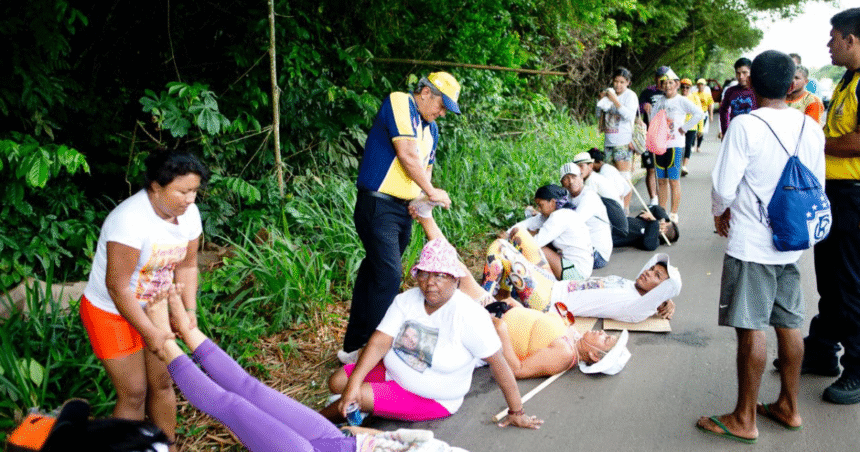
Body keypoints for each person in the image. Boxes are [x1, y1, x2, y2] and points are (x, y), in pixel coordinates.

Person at [139, 284, 468, 452]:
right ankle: (187, 329)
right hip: (339, 442)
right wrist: (349, 433)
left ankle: (164, 343)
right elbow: (390, 438)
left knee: (233, 406)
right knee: (252, 390)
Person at [698, 50, 826, 443]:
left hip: (753, 244)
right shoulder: (811, 128)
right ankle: (789, 406)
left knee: (751, 328)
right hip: (792, 242)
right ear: (792, 85)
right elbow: (817, 183)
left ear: (750, 83)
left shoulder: (746, 126)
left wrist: (721, 214)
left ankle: (744, 418)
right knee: (789, 323)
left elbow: (723, 187)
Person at [323, 239, 544, 429]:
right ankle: (364, 409)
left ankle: (313, 426)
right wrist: (351, 385)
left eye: (440, 275)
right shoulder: (407, 300)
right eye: (425, 274)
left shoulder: (470, 316)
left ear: (456, 280)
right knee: (338, 382)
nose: (430, 283)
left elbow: (499, 363)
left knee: (357, 396)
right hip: (392, 371)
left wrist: (516, 412)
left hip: (430, 397)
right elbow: (380, 342)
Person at [79, 150, 209, 449]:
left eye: (194, 191)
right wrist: (150, 332)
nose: (190, 200)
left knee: (163, 382)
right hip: (110, 311)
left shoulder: (189, 215)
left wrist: (188, 311)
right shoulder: (129, 220)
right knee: (134, 393)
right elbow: (117, 286)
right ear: (156, 185)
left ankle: (167, 446)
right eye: (182, 191)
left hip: (156, 308)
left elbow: (187, 266)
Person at [344, 72, 461, 362]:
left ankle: (354, 346)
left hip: (402, 211)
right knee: (388, 275)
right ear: (425, 92)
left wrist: (422, 200)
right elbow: (407, 155)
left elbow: (426, 168)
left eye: (447, 109)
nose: (442, 113)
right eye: (441, 105)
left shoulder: (431, 129)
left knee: (374, 273)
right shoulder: (400, 102)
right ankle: (375, 351)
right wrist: (432, 192)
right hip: (378, 204)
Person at [793, 7, 860, 405]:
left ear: (852, 39)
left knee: (850, 282)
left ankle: (856, 368)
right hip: (833, 194)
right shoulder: (848, 80)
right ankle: (822, 350)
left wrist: (815, 143)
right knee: (830, 278)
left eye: (833, 37)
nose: (828, 44)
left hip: (853, 195)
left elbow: (856, 141)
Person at [481, 226, 681, 321]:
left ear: (662, 290)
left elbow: (654, 300)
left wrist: (666, 300)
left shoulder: (637, 307)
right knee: (521, 235)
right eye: (652, 269)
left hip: (548, 302)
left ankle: (481, 308)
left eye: (657, 276)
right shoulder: (631, 285)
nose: (649, 273)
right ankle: (503, 296)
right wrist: (665, 301)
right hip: (552, 283)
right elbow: (659, 294)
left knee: (500, 247)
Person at [491, 305, 633, 379]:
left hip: (491, 330)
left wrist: (501, 331)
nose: (602, 332)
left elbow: (518, 370)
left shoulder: (564, 354)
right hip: (499, 313)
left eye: (605, 339)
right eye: (607, 334)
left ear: (594, 355)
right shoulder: (574, 336)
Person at [649, 68, 705, 224]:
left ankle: (673, 213)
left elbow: (699, 113)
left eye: (670, 83)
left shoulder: (682, 100)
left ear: (677, 84)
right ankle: (661, 213)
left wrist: (684, 128)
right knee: (661, 181)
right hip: (661, 146)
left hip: (675, 145)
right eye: (665, 83)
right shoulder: (659, 101)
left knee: (674, 180)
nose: (667, 86)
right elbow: (653, 119)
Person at [512, 184, 594, 280]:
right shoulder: (562, 212)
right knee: (535, 236)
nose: (538, 209)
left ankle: (536, 280)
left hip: (577, 274)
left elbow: (535, 244)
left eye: (540, 205)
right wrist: (511, 232)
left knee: (539, 250)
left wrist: (513, 241)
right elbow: (527, 223)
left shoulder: (559, 217)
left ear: (552, 202)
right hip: (582, 268)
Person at [597, 67, 639, 208]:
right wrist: (601, 100)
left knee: (624, 177)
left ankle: (625, 209)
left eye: (622, 82)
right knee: (610, 177)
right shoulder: (610, 94)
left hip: (623, 142)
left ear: (628, 82)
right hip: (609, 141)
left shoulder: (630, 96)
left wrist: (615, 101)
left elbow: (629, 116)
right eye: (616, 81)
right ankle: (616, 208)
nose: (618, 85)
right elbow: (599, 115)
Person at [572, 151, 628, 236]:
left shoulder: (591, 180)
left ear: (590, 166)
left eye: (581, 166)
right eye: (576, 167)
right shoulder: (592, 177)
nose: (579, 170)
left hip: (615, 218)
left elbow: (587, 205)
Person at [639, 66, 670, 205]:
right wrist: (643, 107)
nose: (663, 80)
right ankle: (653, 198)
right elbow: (637, 110)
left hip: (666, 136)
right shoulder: (647, 92)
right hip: (649, 134)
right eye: (660, 77)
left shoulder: (671, 93)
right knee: (650, 169)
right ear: (655, 78)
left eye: (665, 77)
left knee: (663, 170)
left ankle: (663, 199)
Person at [719, 58, 757, 140]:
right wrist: (725, 131)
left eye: (744, 73)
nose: (741, 77)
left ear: (751, 72)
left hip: (754, 135)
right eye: (738, 73)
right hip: (735, 135)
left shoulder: (758, 90)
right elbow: (723, 110)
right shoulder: (730, 91)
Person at [612, 205, 680, 251]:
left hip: (611, 233)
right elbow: (656, 208)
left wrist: (654, 221)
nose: (663, 222)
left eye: (666, 223)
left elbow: (649, 245)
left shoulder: (655, 240)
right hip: (613, 221)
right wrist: (663, 218)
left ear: (665, 230)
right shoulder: (650, 224)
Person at [588, 147, 632, 212]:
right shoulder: (608, 168)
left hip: (615, 207)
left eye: (590, 164)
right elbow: (627, 189)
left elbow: (611, 194)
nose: (590, 168)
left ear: (597, 161)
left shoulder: (604, 172)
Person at [679, 78, 705, 176]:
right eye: (683, 87)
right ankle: (679, 165)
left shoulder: (695, 98)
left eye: (687, 87)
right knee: (679, 146)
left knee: (688, 145)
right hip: (679, 127)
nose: (685, 89)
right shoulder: (677, 97)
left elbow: (700, 114)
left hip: (691, 127)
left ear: (690, 88)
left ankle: (684, 166)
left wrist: (700, 129)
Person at [695, 78, 715, 152]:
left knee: (701, 130)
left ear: (704, 86)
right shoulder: (694, 94)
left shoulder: (707, 95)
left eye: (702, 84)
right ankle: (692, 144)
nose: (700, 86)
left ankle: (698, 146)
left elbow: (710, 105)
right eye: (699, 84)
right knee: (695, 130)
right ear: (697, 86)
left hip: (704, 114)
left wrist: (711, 116)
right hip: (695, 114)